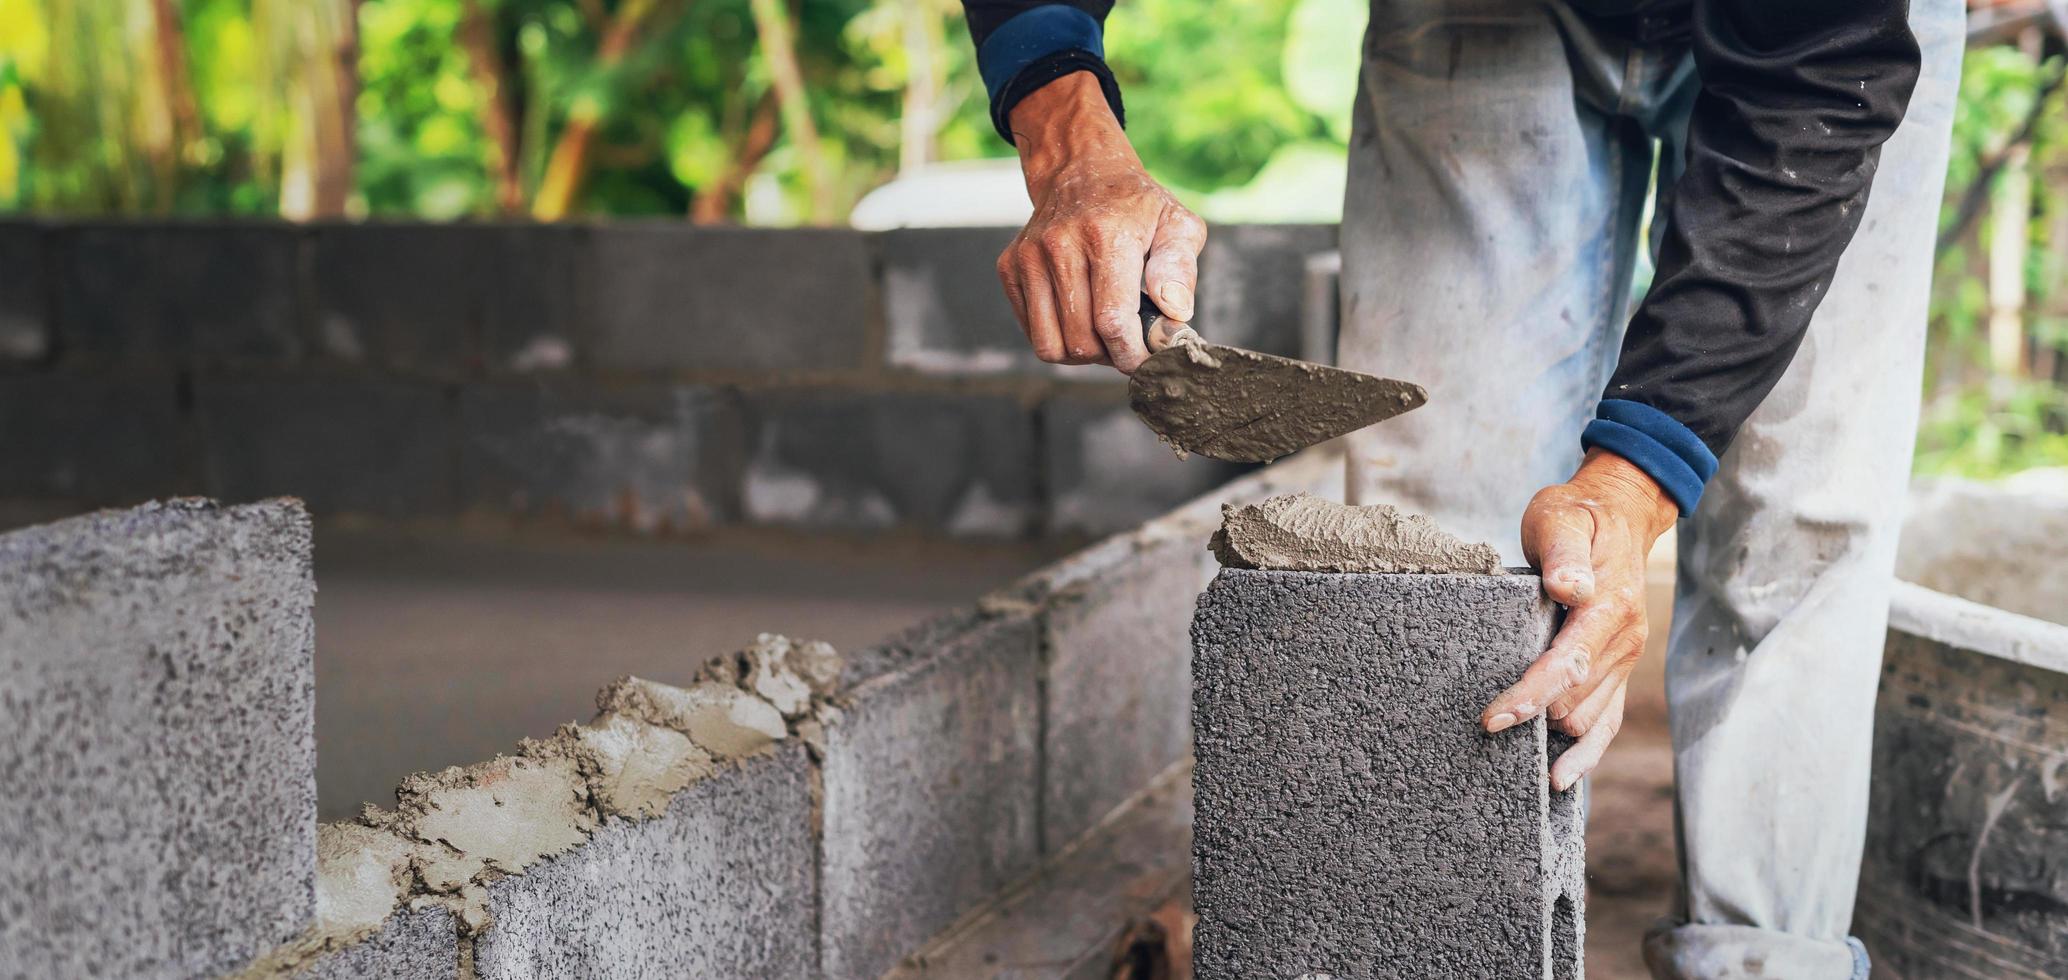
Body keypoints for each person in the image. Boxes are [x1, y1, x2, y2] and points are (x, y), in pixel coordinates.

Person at [958, 0, 1965, 976]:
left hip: (1818, 54)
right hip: (1478, 15)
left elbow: (1819, 66)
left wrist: (1636, 481)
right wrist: (1062, 126)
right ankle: (1443, 934)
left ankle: (1762, 961)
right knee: (1431, 549)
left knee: (1793, 522)